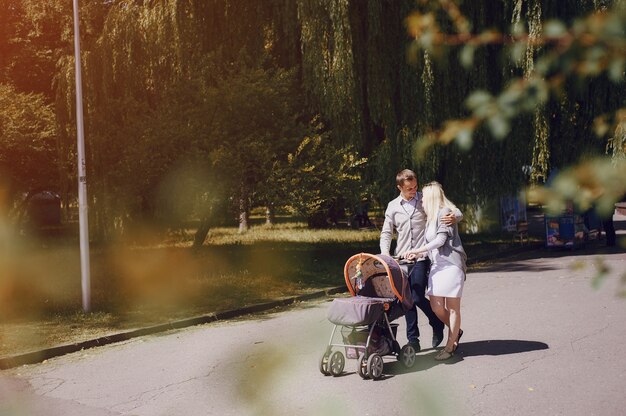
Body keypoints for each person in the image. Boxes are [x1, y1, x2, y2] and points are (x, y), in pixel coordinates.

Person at [379, 169, 462, 352]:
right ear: (399, 187)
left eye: (415, 186)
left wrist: (455, 216)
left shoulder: (425, 200)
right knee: (405, 299)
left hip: (422, 257)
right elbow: (386, 232)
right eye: (409, 188)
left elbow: (450, 209)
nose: (413, 190)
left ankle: (437, 322)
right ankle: (413, 340)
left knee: (416, 296)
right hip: (401, 259)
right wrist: (385, 254)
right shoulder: (392, 206)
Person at [405, 181, 467, 361]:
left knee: (453, 308)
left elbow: (440, 241)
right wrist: (414, 255)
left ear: (431, 198)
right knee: (436, 306)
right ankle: (456, 331)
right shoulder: (431, 218)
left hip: (451, 265)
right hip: (437, 266)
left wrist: (417, 250)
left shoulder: (444, 213)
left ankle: (450, 346)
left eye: (424, 197)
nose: (421, 200)